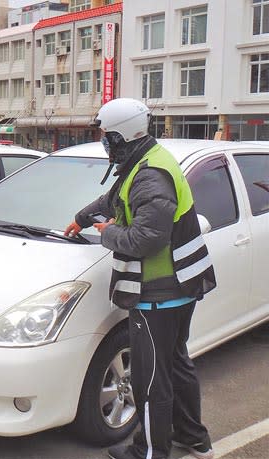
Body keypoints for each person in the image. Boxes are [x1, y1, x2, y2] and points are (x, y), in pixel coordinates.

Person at [64, 98, 217, 459]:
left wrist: (106, 233)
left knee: (150, 379)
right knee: (176, 366)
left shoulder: (150, 174)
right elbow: (116, 198)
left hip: (158, 292)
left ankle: (149, 452)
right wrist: (83, 217)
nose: (103, 141)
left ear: (121, 137)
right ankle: (193, 437)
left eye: (106, 135)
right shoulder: (145, 161)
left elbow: (147, 239)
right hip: (179, 287)